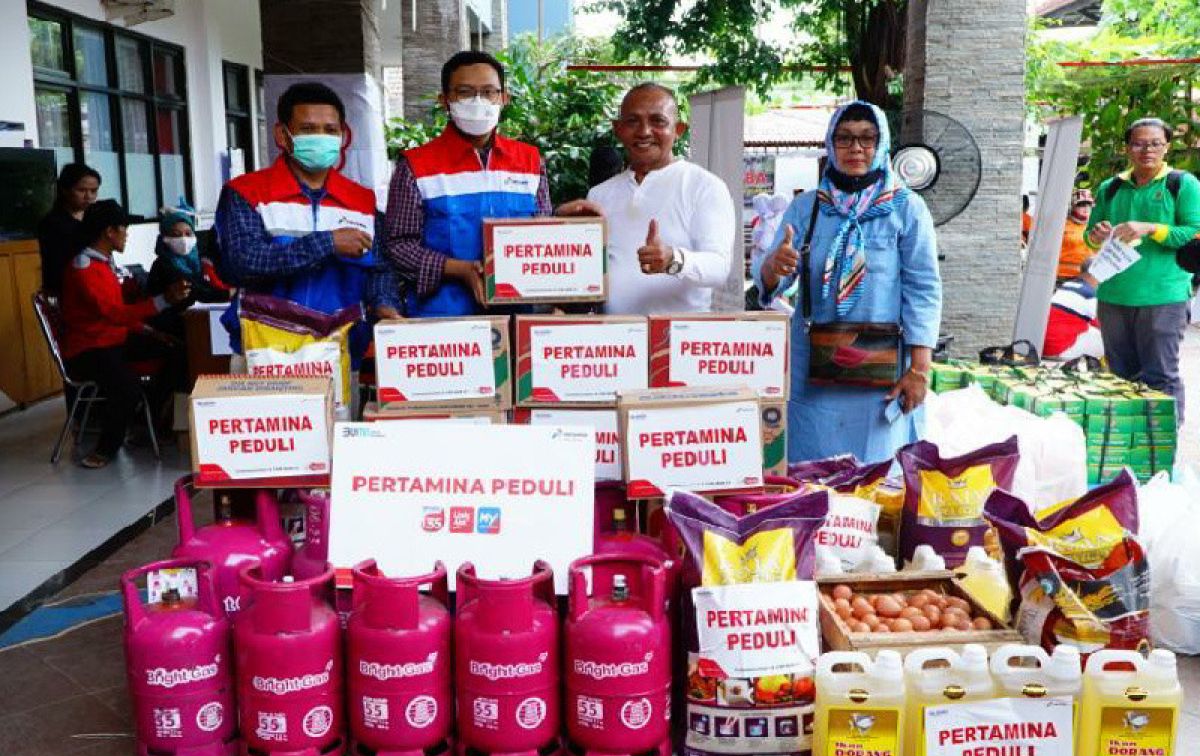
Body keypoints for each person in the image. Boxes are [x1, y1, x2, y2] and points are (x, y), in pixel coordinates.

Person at [754, 100, 941, 463]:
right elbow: (772, 280)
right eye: (844, 138)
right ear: (830, 145)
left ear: (882, 143)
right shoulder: (807, 208)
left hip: (880, 370)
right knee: (811, 473)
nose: (856, 148)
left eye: (867, 138)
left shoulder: (906, 209)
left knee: (874, 475)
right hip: (813, 370)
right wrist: (773, 268)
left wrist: (920, 369)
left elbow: (924, 290)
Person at [215, 81, 395, 367]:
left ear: (343, 136)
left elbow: (380, 267)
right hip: (263, 351)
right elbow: (241, 264)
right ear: (282, 135)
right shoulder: (247, 193)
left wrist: (385, 302)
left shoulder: (361, 200)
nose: (321, 137)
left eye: (330, 130)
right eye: (308, 129)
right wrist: (326, 243)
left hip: (340, 352)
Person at [383, 50, 551, 316]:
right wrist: (458, 269)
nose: (478, 101)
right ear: (445, 100)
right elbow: (397, 247)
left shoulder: (530, 162)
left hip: (516, 318)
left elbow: (544, 237)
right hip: (444, 326)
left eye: (488, 92)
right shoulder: (416, 167)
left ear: (503, 98)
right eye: (465, 92)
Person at [558, 82, 735, 315]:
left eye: (658, 121)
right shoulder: (599, 194)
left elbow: (719, 268)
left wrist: (673, 259)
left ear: (678, 129)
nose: (644, 131)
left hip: (679, 341)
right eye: (632, 121)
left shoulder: (704, 186)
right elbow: (585, 275)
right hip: (612, 342)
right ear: (617, 129)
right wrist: (559, 233)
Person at [1085, 117, 1200, 423]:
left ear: (1166, 147)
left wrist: (1150, 228)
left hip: (1163, 296)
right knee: (1119, 378)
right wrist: (1097, 235)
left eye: (1155, 143)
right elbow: (1090, 235)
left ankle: (1162, 450)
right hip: (1114, 295)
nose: (1147, 150)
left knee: (1160, 376)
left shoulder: (1182, 184)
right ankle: (1127, 448)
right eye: (1138, 143)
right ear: (1127, 148)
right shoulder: (1111, 188)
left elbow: (1194, 231)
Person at [60, 200, 189, 468]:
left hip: (111, 340)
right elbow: (114, 314)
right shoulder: (85, 268)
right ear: (110, 232)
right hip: (89, 349)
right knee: (126, 388)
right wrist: (163, 300)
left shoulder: (102, 262)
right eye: (124, 228)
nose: (127, 234)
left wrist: (149, 332)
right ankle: (107, 448)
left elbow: (117, 316)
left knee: (177, 351)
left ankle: (151, 418)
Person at [147, 203, 231, 339]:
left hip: (196, 328)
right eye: (176, 235)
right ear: (165, 238)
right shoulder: (163, 265)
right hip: (172, 333)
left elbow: (206, 286)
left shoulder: (197, 263)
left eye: (188, 234)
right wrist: (230, 293)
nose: (183, 239)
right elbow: (196, 293)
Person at [38, 163, 101, 297]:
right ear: (65, 190)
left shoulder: (93, 216)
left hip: (92, 286)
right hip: (67, 293)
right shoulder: (52, 223)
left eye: (93, 191)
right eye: (82, 190)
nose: (89, 196)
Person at [1043, 262, 1104, 360]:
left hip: (1044, 347)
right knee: (1112, 341)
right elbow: (1105, 326)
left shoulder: (1066, 285)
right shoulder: (1089, 295)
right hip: (1060, 350)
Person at [1057, 188, 1093, 282]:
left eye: (1089, 205)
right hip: (1061, 277)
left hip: (1087, 278)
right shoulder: (1061, 226)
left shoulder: (1095, 227)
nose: (1086, 208)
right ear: (1073, 207)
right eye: (1081, 205)